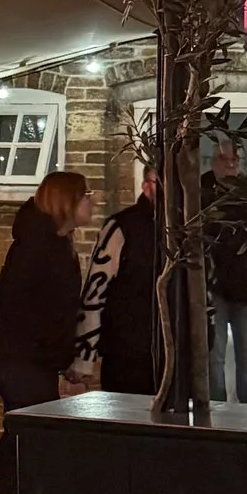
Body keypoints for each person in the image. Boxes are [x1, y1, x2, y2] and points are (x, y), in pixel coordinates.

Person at [0, 166, 94, 494]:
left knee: (29, 428)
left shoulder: (57, 245)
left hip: (35, 356)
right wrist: (53, 350)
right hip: (20, 356)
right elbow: (19, 305)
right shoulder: (36, 246)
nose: (93, 201)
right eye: (86, 195)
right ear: (66, 201)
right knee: (28, 428)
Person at [81, 167, 161, 397]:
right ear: (145, 186)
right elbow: (95, 291)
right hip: (126, 348)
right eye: (158, 183)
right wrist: (84, 356)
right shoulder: (121, 226)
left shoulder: (184, 229)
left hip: (172, 351)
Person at [205, 138, 247, 403]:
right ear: (214, 162)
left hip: (246, 286)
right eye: (225, 159)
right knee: (214, 356)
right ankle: (215, 412)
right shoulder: (202, 192)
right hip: (214, 286)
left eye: (235, 160)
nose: (231, 165)